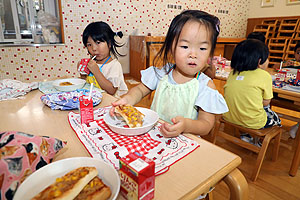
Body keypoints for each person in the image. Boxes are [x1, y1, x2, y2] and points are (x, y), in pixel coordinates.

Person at [110, 10, 228, 138]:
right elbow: (139, 90)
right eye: (184, 46)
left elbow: (206, 125)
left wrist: (187, 125)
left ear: (210, 53)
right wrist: (128, 100)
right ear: (171, 47)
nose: (193, 55)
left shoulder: (205, 86)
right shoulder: (162, 73)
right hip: (156, 137)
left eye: (202, 48)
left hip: (185, 143)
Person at [223, 39, 281, 145]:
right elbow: (266, 102)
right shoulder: (264, 75)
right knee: (277, 119)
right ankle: (259, 142)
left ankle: (245, 135)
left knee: (245, 108)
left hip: (229, 117)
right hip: (254, 122)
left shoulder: (233, 73)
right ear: (259, 62)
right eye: (267, 58)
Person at [78, 21, 128, 97]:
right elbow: (87, 85)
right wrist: (83, 73)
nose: (94, 48)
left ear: (109, 43)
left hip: (109, 104)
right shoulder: (92, 64)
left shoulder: (114, 65)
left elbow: (111, 90)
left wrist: (96, 71)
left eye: (98, 42)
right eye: (89, 45)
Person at [289, 42, 300, 138]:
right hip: (290, 90)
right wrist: (283, 65)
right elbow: (276, 66)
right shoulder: (291, 63)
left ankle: (297, 126)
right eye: (298, 53)